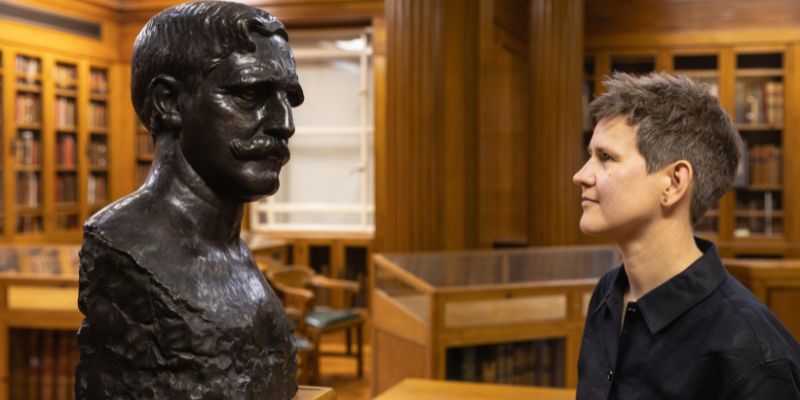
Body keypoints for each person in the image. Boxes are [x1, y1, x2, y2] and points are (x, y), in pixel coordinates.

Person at [76, 2, 303, 399]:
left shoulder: (232, 251)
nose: (285, 123)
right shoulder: (126, 251)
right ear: (168, 102)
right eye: (250, 94)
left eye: (289, 98)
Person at [573, 72, 800, 399]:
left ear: (674, 183)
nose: (581, 175)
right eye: (590, 155)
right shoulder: (607, 295)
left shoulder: (752, 355)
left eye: (606, 158)